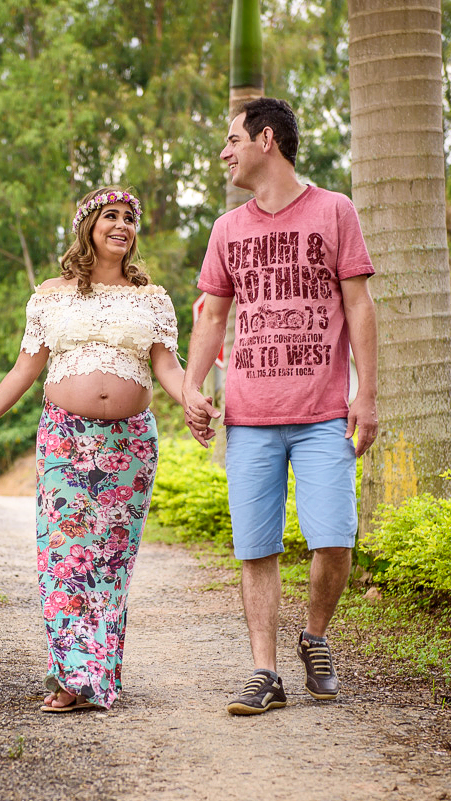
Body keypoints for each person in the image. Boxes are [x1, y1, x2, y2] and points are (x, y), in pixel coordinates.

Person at [183, 98, 379, 715]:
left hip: (323, 412)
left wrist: (366, 393)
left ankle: (315, 636)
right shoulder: (226, 229)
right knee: (256, 548)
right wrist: (194, 387)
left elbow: (360, 307)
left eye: (232, 138)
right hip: (250, 418)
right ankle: (264, 670)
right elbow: (213, 315)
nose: (224, 151)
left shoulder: (334, 210)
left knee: (334, 540)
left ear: (266, 140)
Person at [0, 187, 185, 712]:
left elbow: (168, 368)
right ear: (88, 225)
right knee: (66, 558)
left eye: (130, 219)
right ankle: (69, 677)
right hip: (65, 438)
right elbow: (24, 370)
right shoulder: (50, 295)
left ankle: (98, 673)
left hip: (130, 444)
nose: (123, 226)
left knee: (111, 560)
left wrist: (194, 401)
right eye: (111, 216)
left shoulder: (152, 298)